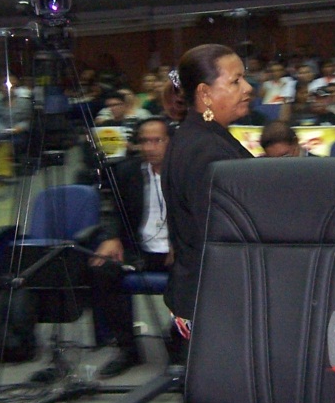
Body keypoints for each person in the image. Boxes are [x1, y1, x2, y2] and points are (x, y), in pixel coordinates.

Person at [161, 44, 255, 344]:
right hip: (215, 301)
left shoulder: (199, 136)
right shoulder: (206, 150)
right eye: (235, 80)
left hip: (209, 294)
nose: (248, 87)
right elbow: (220, 234)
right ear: (205, 94)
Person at [90, 117, 173, 378]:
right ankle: (127, 347)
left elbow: (199, 213)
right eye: (144, 141)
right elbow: (112, 210)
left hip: (176, 251)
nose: (150, 147)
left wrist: (183, 241)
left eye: (156, 140)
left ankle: (183, 345)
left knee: (195, 272)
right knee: (102, 269)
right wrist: (112, 237)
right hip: (141, 250)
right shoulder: (127, 171)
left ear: (170, 142)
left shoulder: (186, 172)